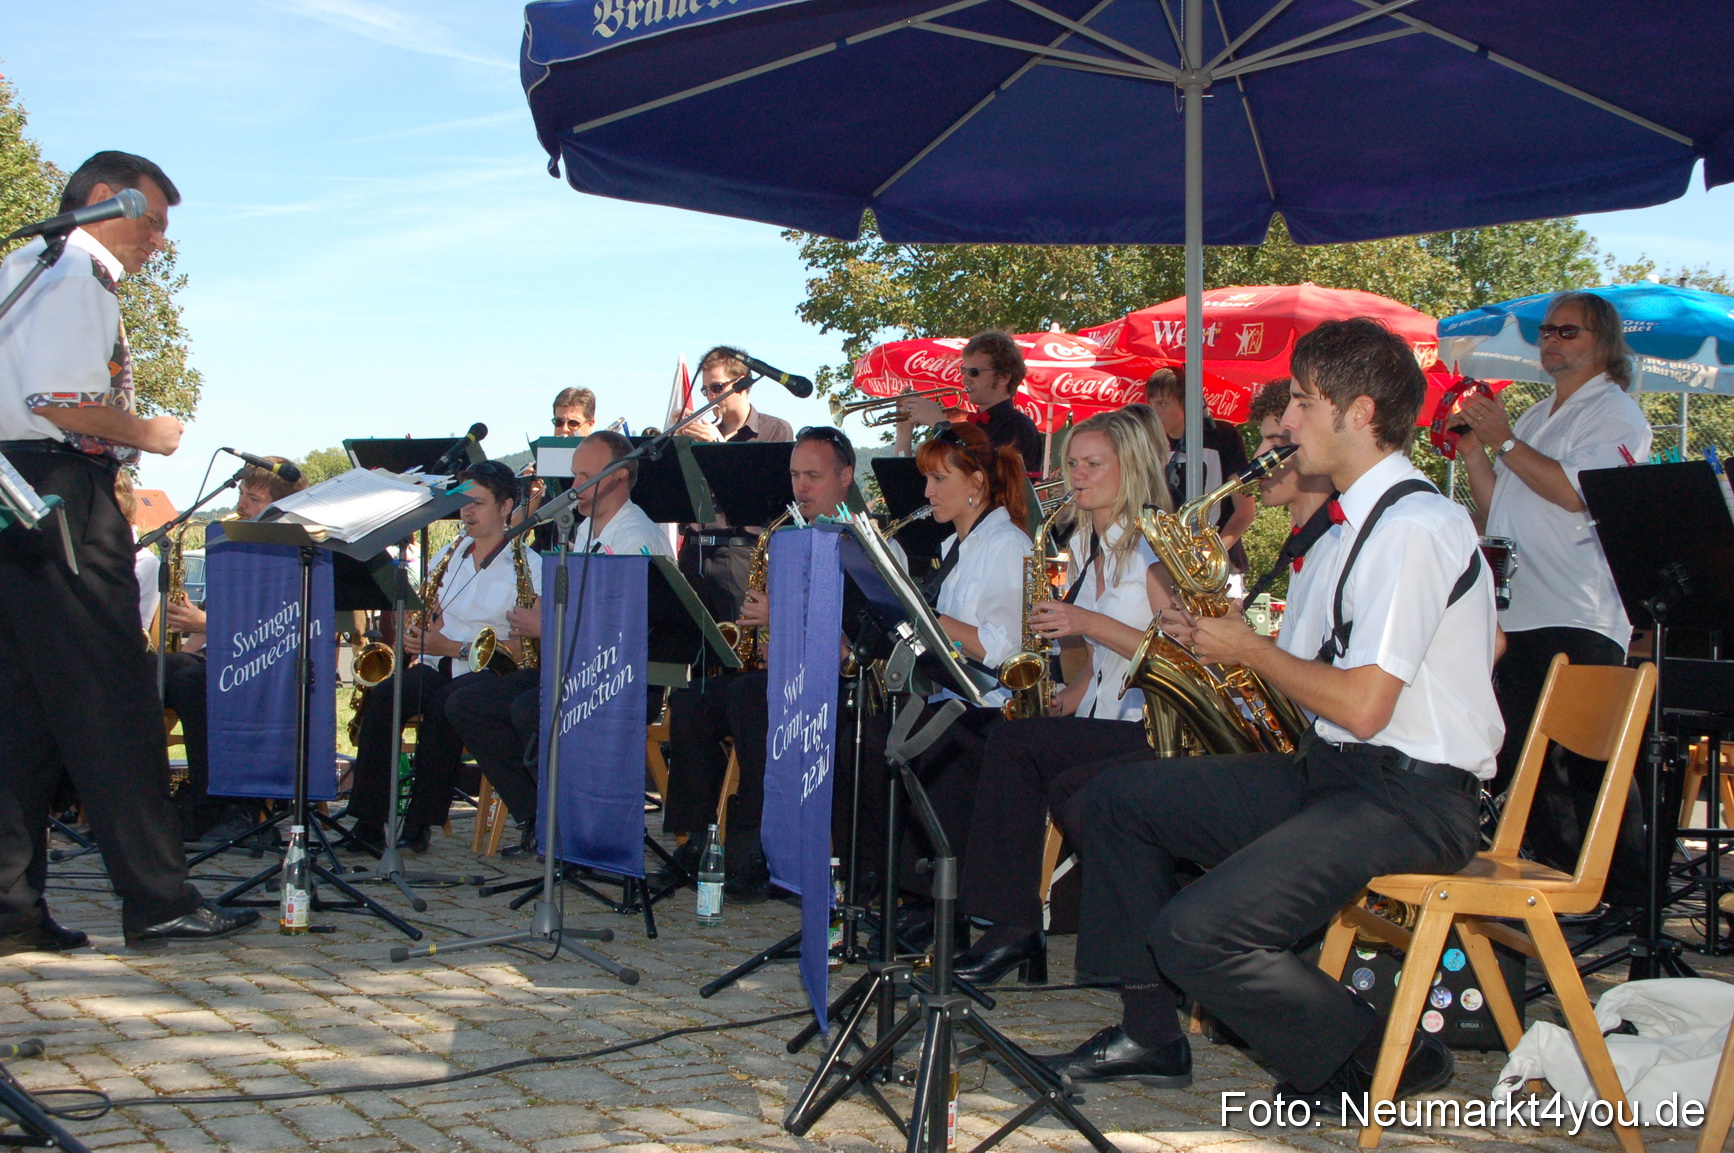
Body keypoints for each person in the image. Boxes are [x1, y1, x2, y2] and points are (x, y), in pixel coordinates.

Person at [1042, 319, 1500, 1113]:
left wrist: (1248, 648)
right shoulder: (1357, 526)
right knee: (1116, 798)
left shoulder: (1415, 527)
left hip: (1412, 798)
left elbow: (1364, 705)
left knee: (1197, 932)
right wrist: (1217, 644)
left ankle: (1378, 1056)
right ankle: (1150, 1034)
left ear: (1359, 413)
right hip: (1336, 774)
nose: (1285, 422)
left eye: (1302, 402)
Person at [0, 150, 258, 953]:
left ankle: (10, 904)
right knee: (114, 698)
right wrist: (150, 432)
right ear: (108, 200)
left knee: (23, 711)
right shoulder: (77, 272)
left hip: (15, 493)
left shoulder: (22, 265)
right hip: (64, 496)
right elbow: (59, 399)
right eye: (153, 222)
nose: (158, 241)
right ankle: (158, 896)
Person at [952, 405, 1177, 984]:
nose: (1077, 475)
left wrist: (1086, 621)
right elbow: (1098, 670)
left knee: (1015, 749)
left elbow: (1179, 657)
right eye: (1073, 463)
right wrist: (1061, 701)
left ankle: (1013, 927)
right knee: (991, 739)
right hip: (1103, 717)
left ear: (1131, 469)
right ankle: (995, 917)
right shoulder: (1086, 546)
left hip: (1151, 730)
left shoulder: (1155, 551)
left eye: (1093, 464)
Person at [1453, 291, 1653, 910]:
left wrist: (1506, 441)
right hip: (1522, 611)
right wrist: (1476, 451)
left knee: (1589, 765)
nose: (1551, 341)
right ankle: (1559, 887)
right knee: (1527, 764)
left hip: (1578, 610)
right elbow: (1500, 507)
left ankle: (1626, 896)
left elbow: (1575, 493)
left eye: (1568, 332)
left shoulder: (1615, 413)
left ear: (1603, 342)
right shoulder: (1539, 415)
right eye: (1546, 331)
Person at [444, 430, 673, 849]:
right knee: (467, 704)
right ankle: (538, 816)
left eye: (585, 476)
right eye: (574, 475)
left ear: (620, 477)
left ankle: (568, 823)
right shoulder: (582, 530)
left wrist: (546, 625)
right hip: (573, 665)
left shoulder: (637, 536)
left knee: (527, 709)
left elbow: (627, 628)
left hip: (619, 677)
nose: (574, 486)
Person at [660, 426, 861, 899]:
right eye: (795, 476)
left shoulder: (862, 544)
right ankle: (699, 839)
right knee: (694, 697)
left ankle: (754, 848)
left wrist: (782, 617)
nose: (800, 487)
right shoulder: (789, 537)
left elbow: (855, 638)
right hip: (786, 675)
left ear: (845, 477)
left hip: (838, 687)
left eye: (813, 476)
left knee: (751, 700)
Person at [346, 461, 541, 854]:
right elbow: (429, 614)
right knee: (386, 697)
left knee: (444, 704)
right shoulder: (446, 556)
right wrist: (417, 631)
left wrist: (450, 647)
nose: (466, 512)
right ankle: (368, 821)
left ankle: (420, 822)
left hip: (489, 673)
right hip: (438, 664)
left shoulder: (529, 566)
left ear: (506, 507)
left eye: (477, 503)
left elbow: (525, 650)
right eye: (462, 503)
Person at [893, 421, 1031, 923]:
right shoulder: (955, 546)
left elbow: (1002, 648)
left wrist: (924, 614)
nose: (927, 493)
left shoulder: (1007, 544)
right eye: (926, 480)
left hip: (991, 707)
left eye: (939, 479)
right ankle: (905, 894)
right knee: (875, 735)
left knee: (928, 746)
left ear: (975, 483)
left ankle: (934, 907)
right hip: (954, 697)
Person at [156, 459, 310, 842]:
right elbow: (207, 631)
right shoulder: (234, 547)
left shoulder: (290, 552)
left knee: (191, 680)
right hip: (226, 657)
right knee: (153, 668)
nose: (242, 504)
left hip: (270, 666)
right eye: (242, 494)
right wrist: (185, 643)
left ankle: (221, 803)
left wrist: (205, 625)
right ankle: (142, 797)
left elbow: (275, 627)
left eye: (253, 499)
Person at [676, 345, 795, 622]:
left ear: (743, 384)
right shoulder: (701, 433)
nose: (710, 397)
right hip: (694, 551)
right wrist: (678, 448)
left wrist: (718, 449)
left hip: (740, 552)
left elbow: (764, 500)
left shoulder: (774, 430)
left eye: (717, 388)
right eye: (706, 390)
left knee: (739, 641)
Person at [1145, 367, 1255, 576]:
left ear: (1187, 403)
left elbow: (1245, 509)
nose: (1155, 412)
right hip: (1171, 567)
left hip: (1222, 566)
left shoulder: (1222, 436)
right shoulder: (1152, 445)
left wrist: (1214, 553)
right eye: (1151, 404)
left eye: (1162, 403)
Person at [895, 330, 1043, 476]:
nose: (964, 380)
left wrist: (939, 424)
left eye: (973, 372)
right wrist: (904, 430)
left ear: (1004, 376)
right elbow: (909, 483)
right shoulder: (969, 428)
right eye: (964, 371)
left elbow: (979, 478)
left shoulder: (1020, 427)